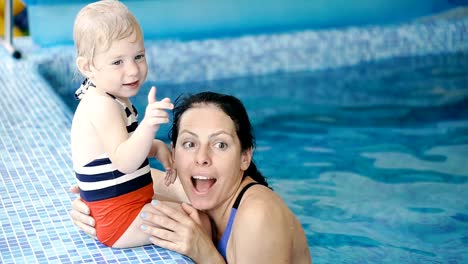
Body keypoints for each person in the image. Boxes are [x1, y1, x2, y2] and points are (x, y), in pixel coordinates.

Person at [71, 92, 312, 263]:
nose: (202, 158)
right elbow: (151, 181)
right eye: (189, 143)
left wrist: (203, 252)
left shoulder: (258, 215)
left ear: (244, 157)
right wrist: (96, 198)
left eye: (220, 145)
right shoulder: (201, 189)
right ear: (174, 153)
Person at [70, 0, 177, 248]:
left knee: (187, 214)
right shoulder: (101, 105)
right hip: (120, 221)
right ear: (88, 67)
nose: (133, 70)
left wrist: (156, 146)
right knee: (197, 222)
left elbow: (117, 148)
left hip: (128, 210)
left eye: (138, 56)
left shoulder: (113, 98)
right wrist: (149, 125)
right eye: (117, 62)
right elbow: (125, 161)